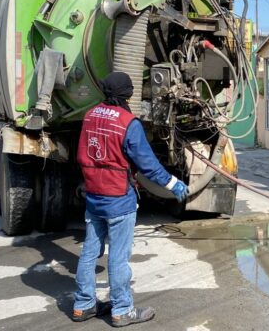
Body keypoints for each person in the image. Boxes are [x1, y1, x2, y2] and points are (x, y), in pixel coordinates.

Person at [72, 72, 189, 327]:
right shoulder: (128, 123)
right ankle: (122, 309)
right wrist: (173, 183)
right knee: (118, 257)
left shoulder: (90, 116)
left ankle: (83, 305)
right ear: (128, 94)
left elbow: (81, 154)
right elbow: (148, 165)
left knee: (90, 252)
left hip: (94, 196)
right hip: (118, 199)